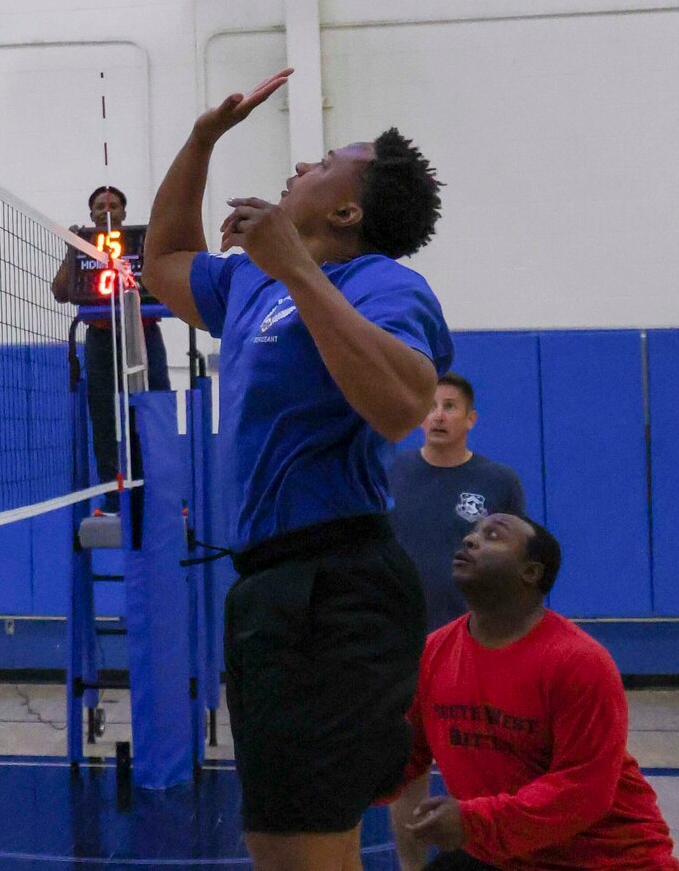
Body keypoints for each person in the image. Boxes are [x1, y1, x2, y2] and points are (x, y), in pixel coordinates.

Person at [141, 68, 451, 871]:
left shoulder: (383, 283)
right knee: (299, 848)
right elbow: (166, 259)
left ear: (347, 210)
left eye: (322, 164)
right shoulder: (250, 280)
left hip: (337, 586)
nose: (303, 163)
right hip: (270, 587)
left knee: (296, 851)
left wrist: (299, 270)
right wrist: (203, 139)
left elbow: (402, 406)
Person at [394, 514, 679, 870]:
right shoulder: (433, 652)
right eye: (472, 533)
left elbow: (583, 791)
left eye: (492, 535)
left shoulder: (579, 661)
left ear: (530, 573)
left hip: (607, 860)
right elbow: (402, 755)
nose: (470, 540)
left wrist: (473, 822)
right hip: (504, 853)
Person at [387, 373, 527, 869]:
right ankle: (411, 867)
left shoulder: (497, 482)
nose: (438, 415)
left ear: (471, 420)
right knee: (407, 770)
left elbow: (518, 564)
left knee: (492, 763)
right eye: (430, 406)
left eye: (449, 407)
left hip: (478, 646)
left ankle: (501, 857)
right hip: (403, 646)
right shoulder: (392, 473)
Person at [52, 186, 170, 515]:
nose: (107, 211)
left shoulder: (143, 244)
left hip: (144, 333)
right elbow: (60, 293)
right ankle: (114, 496)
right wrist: (71, 250)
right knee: (103, 419)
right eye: (100, 207)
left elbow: (164, 283)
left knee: (153, 411)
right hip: (101, 338)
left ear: (123, 214)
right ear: (91, 215)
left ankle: (157, 492)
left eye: (114, 206)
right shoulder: (84, 246)